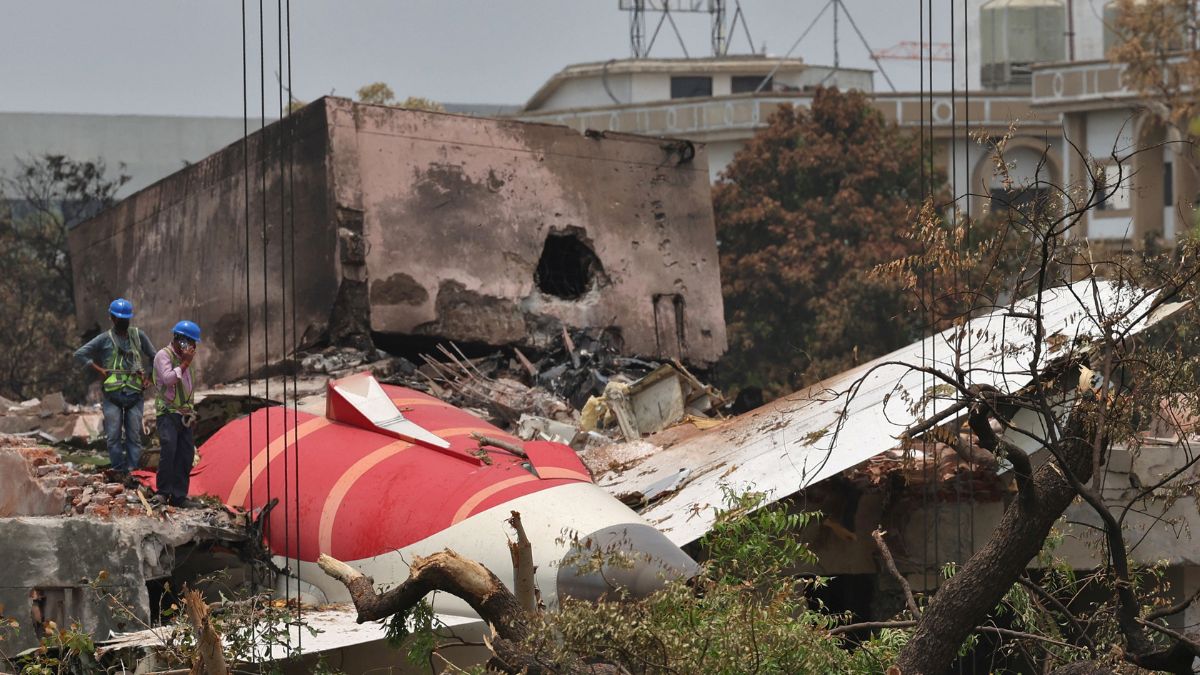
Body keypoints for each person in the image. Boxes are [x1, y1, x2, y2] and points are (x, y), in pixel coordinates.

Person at [74, 298, 157, 479]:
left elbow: (154, 357)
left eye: (125, 318)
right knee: (113, 436)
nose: (122, 322)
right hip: (112, 396)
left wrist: (149, 377)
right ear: (112, 318)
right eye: (119, 318)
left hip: (135, 395)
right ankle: (119, 470)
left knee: (134, 435)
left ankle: (134, 472)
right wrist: (99, 369)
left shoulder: (138, 336)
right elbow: (80, 354)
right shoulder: (104, 339)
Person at [153, 320, 202, 508]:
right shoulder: (163, 356)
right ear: (180, 340)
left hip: (185, 415)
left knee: (186, 455)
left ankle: (180, 496)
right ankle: (163, 493)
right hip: (168, 414)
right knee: (169, 450)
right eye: (191, 343)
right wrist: (184, 364)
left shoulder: (187, 361)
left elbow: (188, 390)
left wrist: (191, 413)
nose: (193, 347)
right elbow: (167, 379)